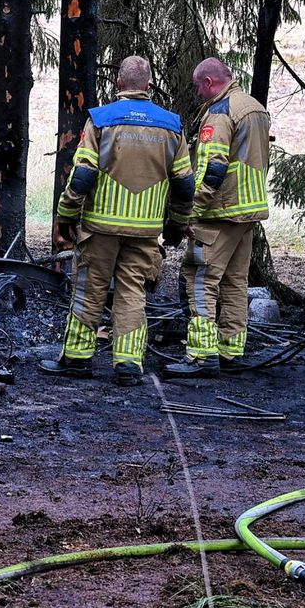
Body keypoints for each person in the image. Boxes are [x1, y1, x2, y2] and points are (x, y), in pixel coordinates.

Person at [40, 56, 195, 386]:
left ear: (119, 85)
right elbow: (184, 183)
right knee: (132, 293)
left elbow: (82, 175)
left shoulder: (100, 119)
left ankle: (77, 359)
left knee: (89, 290)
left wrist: (66, 215)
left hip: (100, 227)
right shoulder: (172, 126)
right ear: (148, 87)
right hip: (145, 231)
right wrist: (177, 225)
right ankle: (128, 365)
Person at [164, 57, 271, 378]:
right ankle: (230, 350)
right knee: (236, 282)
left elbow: (214, 167)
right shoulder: (255, 108)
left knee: (200, 280)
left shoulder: (221, 112)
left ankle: (200, 355)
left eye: (198, 86)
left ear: (209, 82)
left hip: (219, 212)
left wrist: (191, 212)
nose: (197, 92)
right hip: (247, 212)